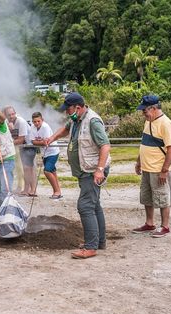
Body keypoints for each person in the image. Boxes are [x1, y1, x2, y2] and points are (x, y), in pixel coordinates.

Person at [47, 92, 111, 259]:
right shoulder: (77, 118)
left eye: (68, 109)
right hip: (85, 170)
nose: (66, 112)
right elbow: (66, 129)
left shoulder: (92, 121)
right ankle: (99, 242)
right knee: (94, 205)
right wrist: (52, 137)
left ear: (78, 107)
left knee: (85, 206)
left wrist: (100, 169)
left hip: (92, 170)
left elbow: (105, 146)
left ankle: (90, 247)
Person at [132, 95, 171, 238]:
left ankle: (165, 226)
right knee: (147, 197)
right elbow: (144, 142)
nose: (143, 114)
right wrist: (139, 162)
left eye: (144, 111)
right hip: (146, 167)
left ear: (154, 108)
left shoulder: (165, 123)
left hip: (158, 168)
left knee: (162, 197)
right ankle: (149, 223)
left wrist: (164, 170)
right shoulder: (149, 121)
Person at [4, 106, 36, 196]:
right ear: (6, 116)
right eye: (9, 115)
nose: (11, 116)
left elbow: (21, 139)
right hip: (22, 147)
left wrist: (8, 143)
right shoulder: (7, 122)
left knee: (28, 168)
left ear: (15, 113)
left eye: (13, 114)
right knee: (26, 168)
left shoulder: (20, 121)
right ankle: (26, 189)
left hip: (29, 145)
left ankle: (32, 189)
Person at [30, 112, 62, 199]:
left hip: (53, 152)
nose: (36, 123)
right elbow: (33, 141)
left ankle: (56, 191)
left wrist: (40, 143)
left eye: (38, 121)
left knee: (47, 171)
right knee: (52, 171)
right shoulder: (32, 127)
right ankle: (58, 192)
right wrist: (41, 142)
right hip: (44, 153)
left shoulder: (45, 127)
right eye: (34, 121)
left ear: (42, 120)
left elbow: (46, 142)